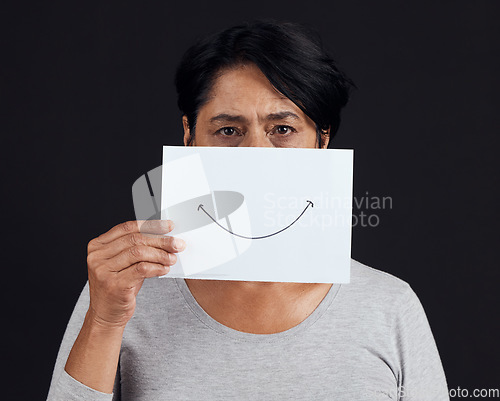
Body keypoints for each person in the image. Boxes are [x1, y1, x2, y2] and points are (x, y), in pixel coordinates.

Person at [47, 20, 449, 400]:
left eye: (283, 129)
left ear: (321, 139)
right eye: (228, 130)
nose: (256, 152)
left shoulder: (389, 306)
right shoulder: (123, 293)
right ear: (189, 136)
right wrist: (104, 321)